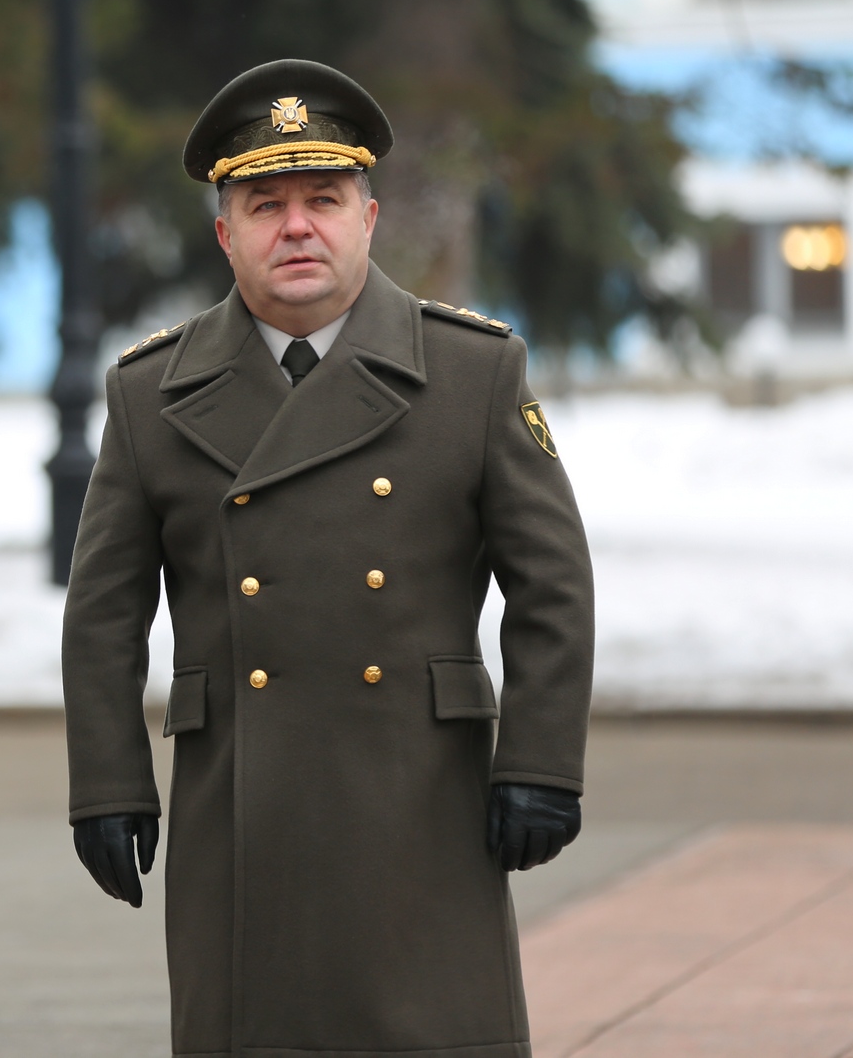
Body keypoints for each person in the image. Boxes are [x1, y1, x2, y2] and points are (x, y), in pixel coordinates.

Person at [61, 59, 595, 1057]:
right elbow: (102, 611)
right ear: (224, 233)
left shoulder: (472, 372)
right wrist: (108, 784)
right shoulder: (150, 392)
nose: (295, 227)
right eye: (264, 205)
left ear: (368, 216)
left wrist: (537, 763)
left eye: (322, 199)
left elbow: (551, 583)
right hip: (238, 800)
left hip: (418, 791)